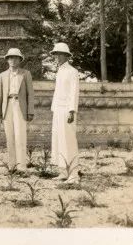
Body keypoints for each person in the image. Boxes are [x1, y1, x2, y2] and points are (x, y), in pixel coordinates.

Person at [0, 48, 35, 177]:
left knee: (20, 136)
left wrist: (30, 111)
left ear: (20, 60)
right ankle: (11, 166)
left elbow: (30, 94)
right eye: (10, 58)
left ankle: (21, 167)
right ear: (7, 60)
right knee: (10, 137)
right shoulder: (3, 75)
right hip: (7, 107)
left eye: (16, 58)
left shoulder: (26, 74)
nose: (13, 60)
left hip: (20, 106)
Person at [50, 42, 80, 183]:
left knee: (69, 141)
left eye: (60, 54)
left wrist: (71, 110)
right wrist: (54, 109)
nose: (57, 57)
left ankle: (74, 174)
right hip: (58, 110)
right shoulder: (60, 71)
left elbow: (74, 92)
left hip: (67, 110)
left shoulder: (72, 71)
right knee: (58, 141)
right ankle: (63, 172)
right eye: (56, 54)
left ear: (67, 56)